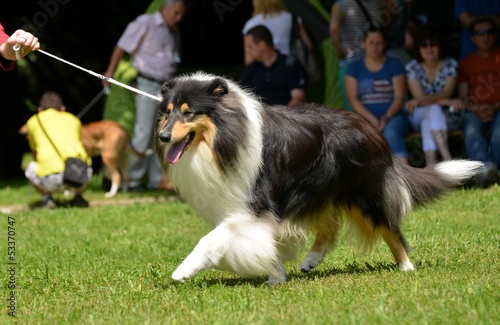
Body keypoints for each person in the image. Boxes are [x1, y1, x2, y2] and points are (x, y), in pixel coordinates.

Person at [102, 0, 188, 191]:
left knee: (163, 132)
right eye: (176, 13)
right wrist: (109, 72)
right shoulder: (145, 22)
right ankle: (133, 180)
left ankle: (157, 180)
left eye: (182, 15)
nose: (179, 18)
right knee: (143, 131)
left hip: (167, 87)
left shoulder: (174, 32)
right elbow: (122, 46)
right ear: (165, 8)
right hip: (147, 83)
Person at [345, 24, 410, 163]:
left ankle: (406, 175)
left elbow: (399, 96)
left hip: (394, 116)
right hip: (364, 117)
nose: (375, 47)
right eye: (371, 43)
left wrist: (387, 117)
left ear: (385, 44)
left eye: (379, 43)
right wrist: (373, 120)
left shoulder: (394, 64)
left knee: (391, 132)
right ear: (363, 43)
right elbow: (353, 99)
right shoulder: (353, 67)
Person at [25, 91, 92, 209]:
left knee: (30, 167)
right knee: (85, 162)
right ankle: (78, 196)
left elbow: (34, 152)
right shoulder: (74, 120)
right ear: (63, 108)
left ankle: (47, 198)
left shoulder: (33, 121)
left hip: (50, 180)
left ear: (40, 109)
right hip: (78, 176)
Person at [405, 29, 458, 166]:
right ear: (418, 48)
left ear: (440, 46)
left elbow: (448, 92)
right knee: (433, 109)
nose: (429, 49)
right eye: (424, 45)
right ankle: (448, 160)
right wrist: (443, 101)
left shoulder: (450, 64)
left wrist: (439, 99)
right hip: (418, 114)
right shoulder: (412, 67)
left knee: (428, 122)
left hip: (447, 116)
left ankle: (431, 167)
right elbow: (420, 98)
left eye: (433, 44)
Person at [457, 18, 500, 187]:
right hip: (475, 110)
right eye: (480, 33)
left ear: (495, 35)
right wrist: (478, 108)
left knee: (499, 134)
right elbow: (463, 97)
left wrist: (495, 106)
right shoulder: (466, 63)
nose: (485, 36)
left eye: (489, 31)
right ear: (473, 38)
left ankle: (496, 170)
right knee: (472, 131)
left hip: (498, 107)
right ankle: (485, 169)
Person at [329, 0, 382, 111]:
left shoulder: (342, 4)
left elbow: (334, 29)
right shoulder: (376, 3)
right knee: (374, 107)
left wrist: (340, 51)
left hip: (350, 62)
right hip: (373, 63)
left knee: (352, 110)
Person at [240, 25, 307, 106]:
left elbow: (298, 98)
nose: (247, 51)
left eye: (250, 46)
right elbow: (243, 101)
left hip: (287, 116)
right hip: (260, 117)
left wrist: (282, 117)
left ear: (262, 45)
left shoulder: (291, 64)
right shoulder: (250, 70)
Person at [242, 0, 293, 65]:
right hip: (289, 63)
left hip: (263, 66)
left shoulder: (251, 24)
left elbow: (249, 55)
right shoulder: (290, 17)